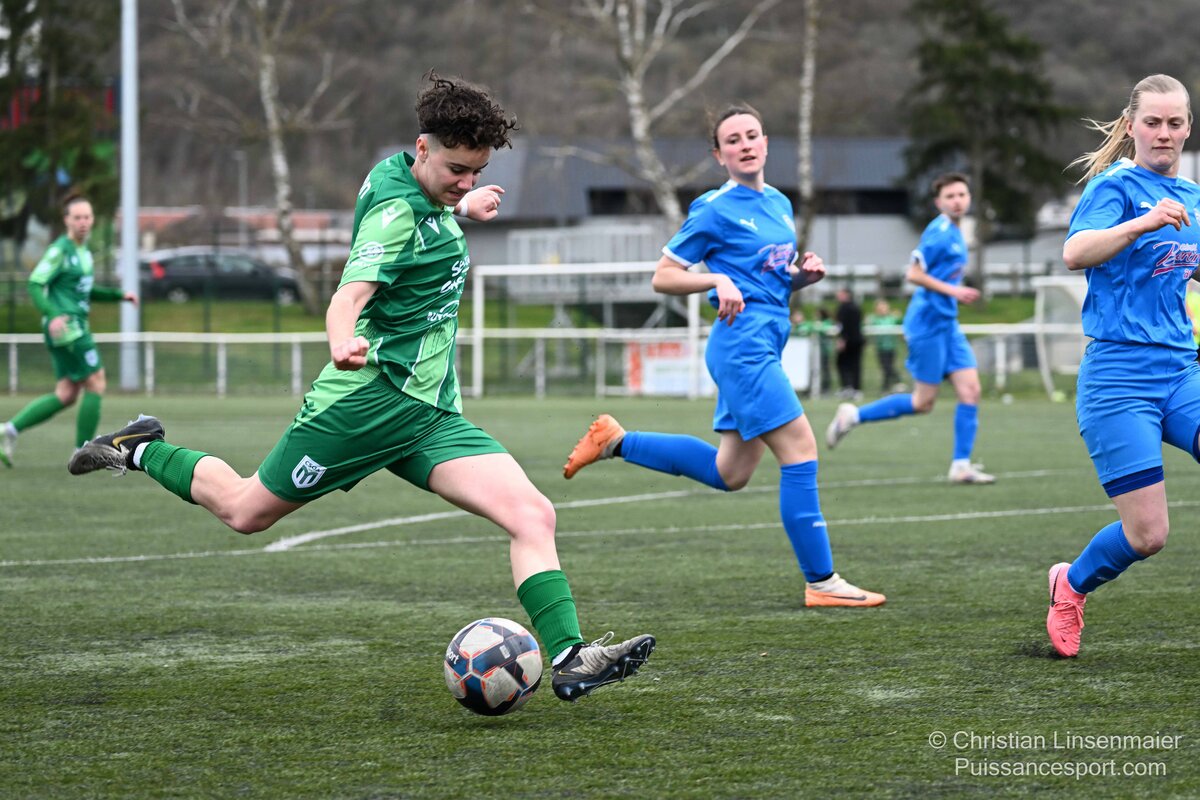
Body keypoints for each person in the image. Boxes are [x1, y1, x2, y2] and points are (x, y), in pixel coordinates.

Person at [68, 72, 654, 699]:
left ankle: (569, 656)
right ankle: (140, 447)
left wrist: (459, 205)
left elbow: (428, 214)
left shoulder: (401, 177)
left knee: (533, 514)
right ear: (423, 148)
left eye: (477, 172)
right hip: (366, 404)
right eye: (457, 170)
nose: (467, 181)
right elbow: (348, 294)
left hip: (427, 412)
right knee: (244, 511)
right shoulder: (394, 215)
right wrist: (341, 340)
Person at [562, 105, 885, 609]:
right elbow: (663, 276)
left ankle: (617, 441)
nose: (745, 145)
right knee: (801, 450)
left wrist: (802, 277)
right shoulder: (713, 208)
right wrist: (715, 278)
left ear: (766, 143)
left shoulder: (779, 203)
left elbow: (769, 279)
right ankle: (822, 582)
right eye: (733, 140)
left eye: (752, 135)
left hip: (765, 340)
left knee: (730, 473)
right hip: (742, 347)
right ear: (719, 155)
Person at [1045, 73, 1200, 657]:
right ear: (1132, 126)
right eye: (1153, 122)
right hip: (1118, 379)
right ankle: (1071, 584)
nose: (1164, 133)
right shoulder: (1115, 187)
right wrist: (1142, 222)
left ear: (1188, 127)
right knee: (1148, 535)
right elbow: (1074, 252)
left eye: (1175, 122)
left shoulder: (1192, 197)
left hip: (1181, 371)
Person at [824, 173, 994, 485]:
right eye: (950, 196)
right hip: (926, 325)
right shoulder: (939, 232)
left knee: (971, 390)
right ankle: (853, 415)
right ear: (938, 203)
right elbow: (913, 274)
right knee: (922, 402)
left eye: (962, 194)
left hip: (947, 324)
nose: (957, 201)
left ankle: (961, 465)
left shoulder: (958, 231)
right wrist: (954, 291)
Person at [0, 196, 137, 468]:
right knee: (96, 381)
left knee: (67, 393)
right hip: (67, 327)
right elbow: (35, 283)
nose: (83, 222)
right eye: (77, 217)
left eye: (87, 217)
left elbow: (85, 291)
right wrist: (52, 314)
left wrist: (119, 295)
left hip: (71, 327)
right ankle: (83, 451)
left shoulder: (83, 252)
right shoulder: (60, 250)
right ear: (67, 221)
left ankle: (8, 430)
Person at [865, 298, 902, 392]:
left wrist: (899, 317)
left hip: (891, 347)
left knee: (888, 366)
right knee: (885, 367)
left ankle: (891, 384)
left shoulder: (892, 318)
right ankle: (888, 385)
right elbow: (867, 326)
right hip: (880, 348)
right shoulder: (875, 319)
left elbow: (901, 324)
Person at [833, 287, 864, 399]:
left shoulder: (844, 308)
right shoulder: (856, 307)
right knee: (855, 365)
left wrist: (842, 339)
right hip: (857, 340)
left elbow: (844, 326)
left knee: (843, 364)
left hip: (849, 341)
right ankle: (854, 388)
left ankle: (848, 387)